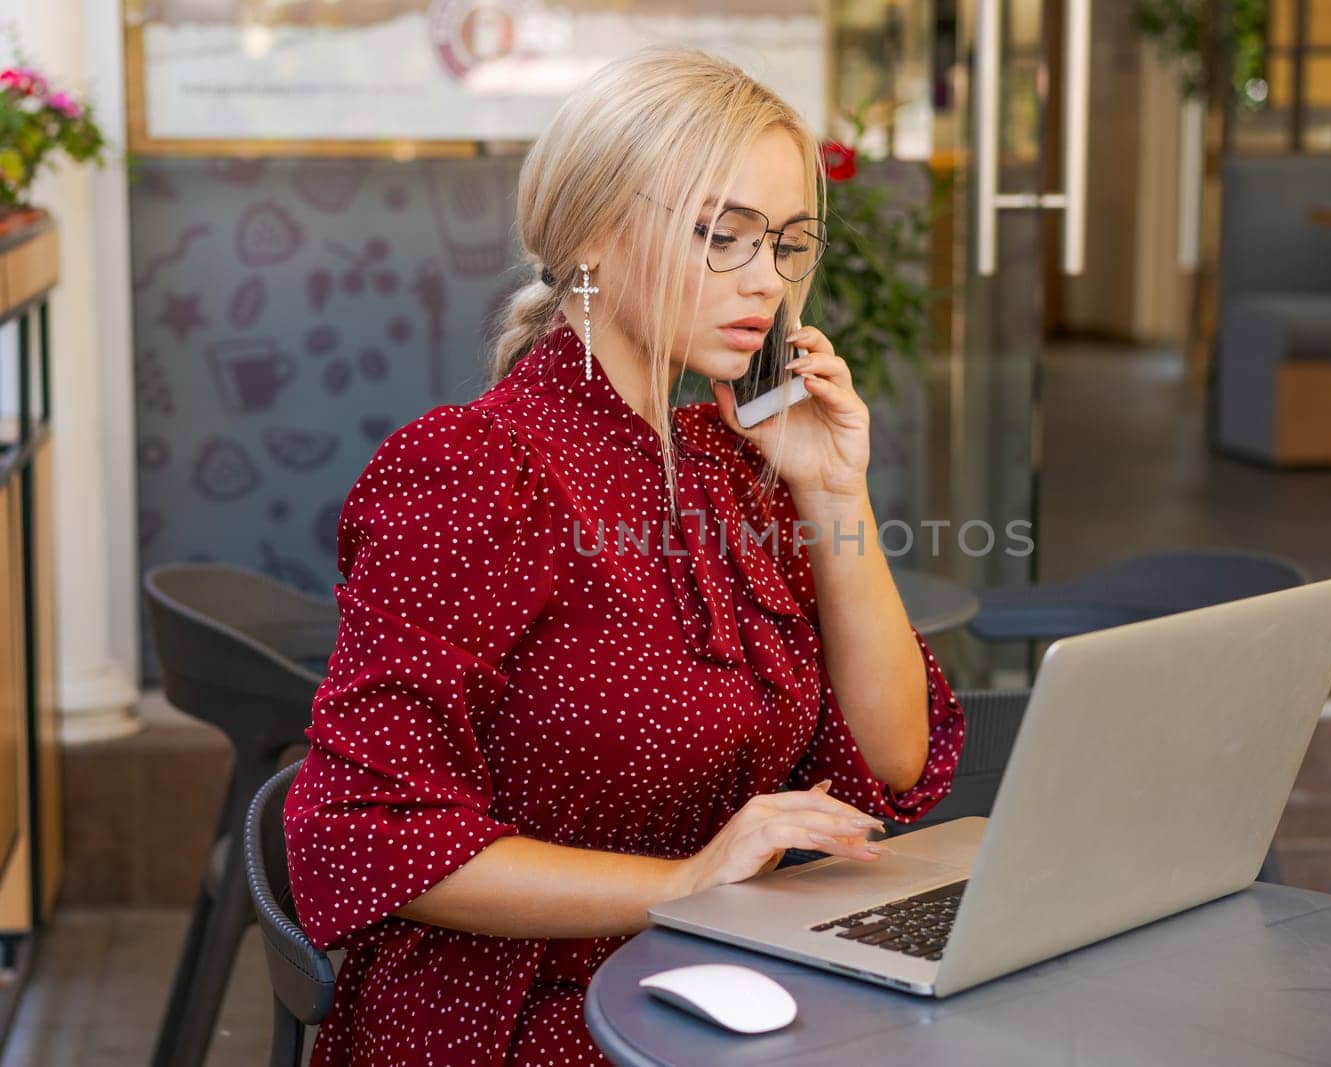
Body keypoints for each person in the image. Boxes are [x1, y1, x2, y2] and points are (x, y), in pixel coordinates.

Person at [282, 45, 967, 1066]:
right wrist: (684, 878)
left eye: (786, 244)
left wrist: (833, 489)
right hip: (520, 1015)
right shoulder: (474, 469)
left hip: (715, 976)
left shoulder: (732, 468)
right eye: (722, 236)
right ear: (593, 236)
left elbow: (890, 762)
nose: (766, 280)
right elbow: (362, 830)